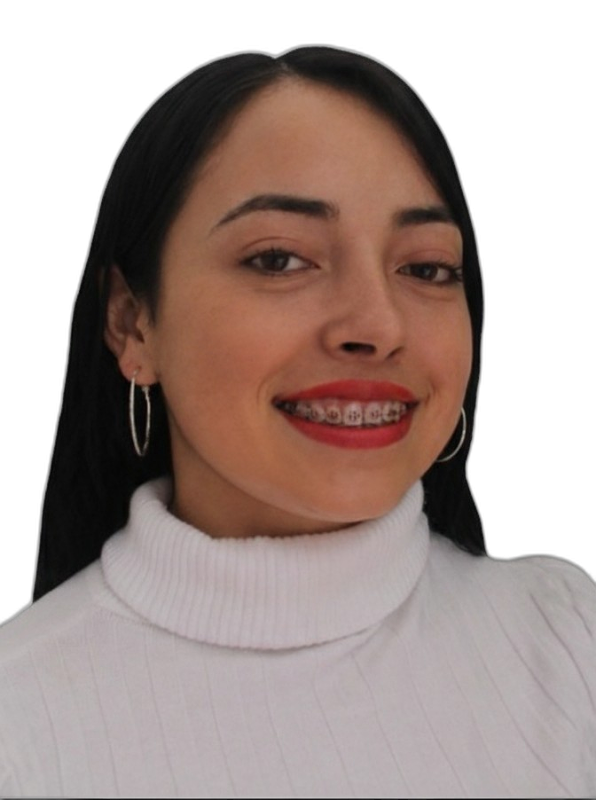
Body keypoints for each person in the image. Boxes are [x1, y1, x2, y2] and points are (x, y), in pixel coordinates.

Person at [0, 45, 594, 798]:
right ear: (132, 323)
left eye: (425, 268)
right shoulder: (19, 723)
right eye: (280, 259)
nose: (377, 326)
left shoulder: (570, 639)